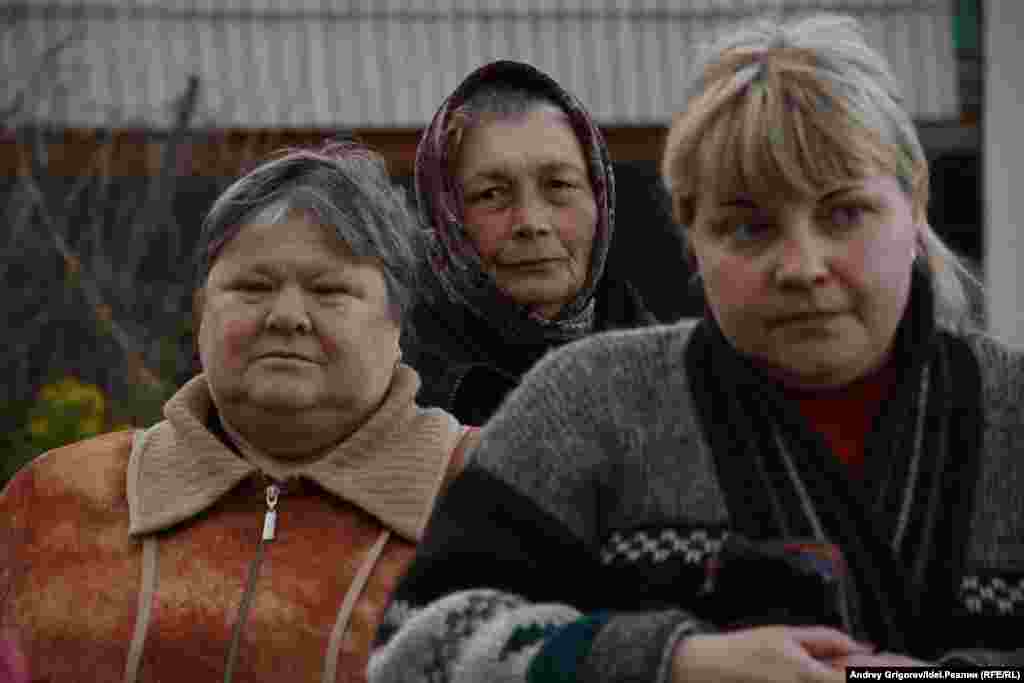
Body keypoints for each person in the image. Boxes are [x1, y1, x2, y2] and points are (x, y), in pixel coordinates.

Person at [368, 14, 1023, 683]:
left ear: (915, 204)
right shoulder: (590, 403)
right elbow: (413, 648)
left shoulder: (1013, 411)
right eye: (749, 228)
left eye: (844, 213)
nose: (803, 266)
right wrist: (671, 662)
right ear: (689, 232)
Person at [0, 142, 476, 682]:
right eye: (252, 287)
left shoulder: (491, 494)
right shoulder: (53, 501)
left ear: (397, 323)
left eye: (329, 290)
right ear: (202, 312)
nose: (287, 316)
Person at [405, 59, 657, 425]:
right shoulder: (393, 392)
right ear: (444, 216)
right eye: (491, 194)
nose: (531, 223)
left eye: (559, 185)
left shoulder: (673, 376)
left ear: (601, 200)